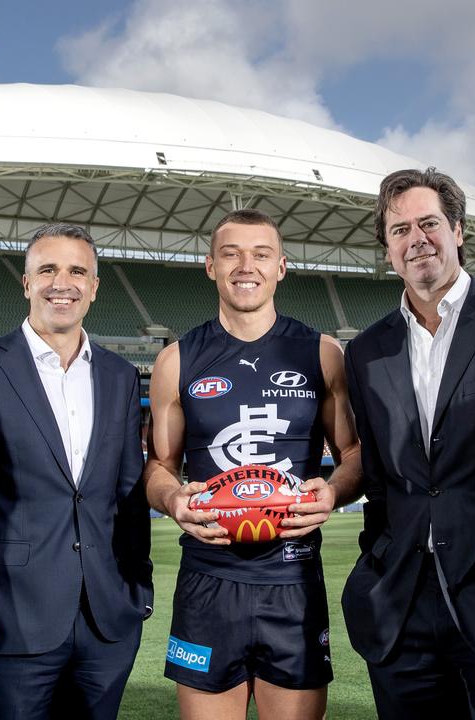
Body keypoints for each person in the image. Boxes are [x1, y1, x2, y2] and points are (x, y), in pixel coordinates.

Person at [342, 168, 475, 718]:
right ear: (387, 248)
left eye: (429, 223)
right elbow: (381, 480)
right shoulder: (367, 351)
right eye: (399, 230)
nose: (417, 239)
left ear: (458, 230)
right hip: (402, 607)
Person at [144, 208, 361, 720]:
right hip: (208, 579)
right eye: (231, 253)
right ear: (210, 266)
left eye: (261, 254)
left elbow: (353, 457)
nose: (247, 265)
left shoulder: (322, 353)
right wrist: (173, 498)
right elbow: (159, 465)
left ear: (281, 267)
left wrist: (332, 492)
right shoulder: (176, 360)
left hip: (292, 582)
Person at [0, 223, 152, 720]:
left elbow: (129, 493)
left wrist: (137, 591)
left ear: (95, 286)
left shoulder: (119, 374)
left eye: (78, 270)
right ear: (26, 283)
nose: (63, 283)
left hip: (108, 624)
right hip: (11, 621)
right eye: (48, 270)